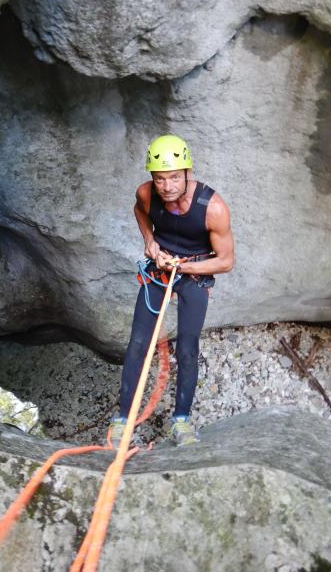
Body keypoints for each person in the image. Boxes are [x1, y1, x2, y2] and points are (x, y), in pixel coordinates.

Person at [109, 135, 234, 446]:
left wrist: (183, 268)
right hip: (160, 267)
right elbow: (139, 211)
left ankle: (181, 421)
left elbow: (226, 261)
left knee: (188, 347)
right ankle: (123, 419)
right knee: (139, 341)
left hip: (194, 271)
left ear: (188, 172)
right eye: (160, 178)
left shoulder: (212, 207)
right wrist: (150, 243)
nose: (167, 186)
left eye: (174, 177)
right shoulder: (146, 194)